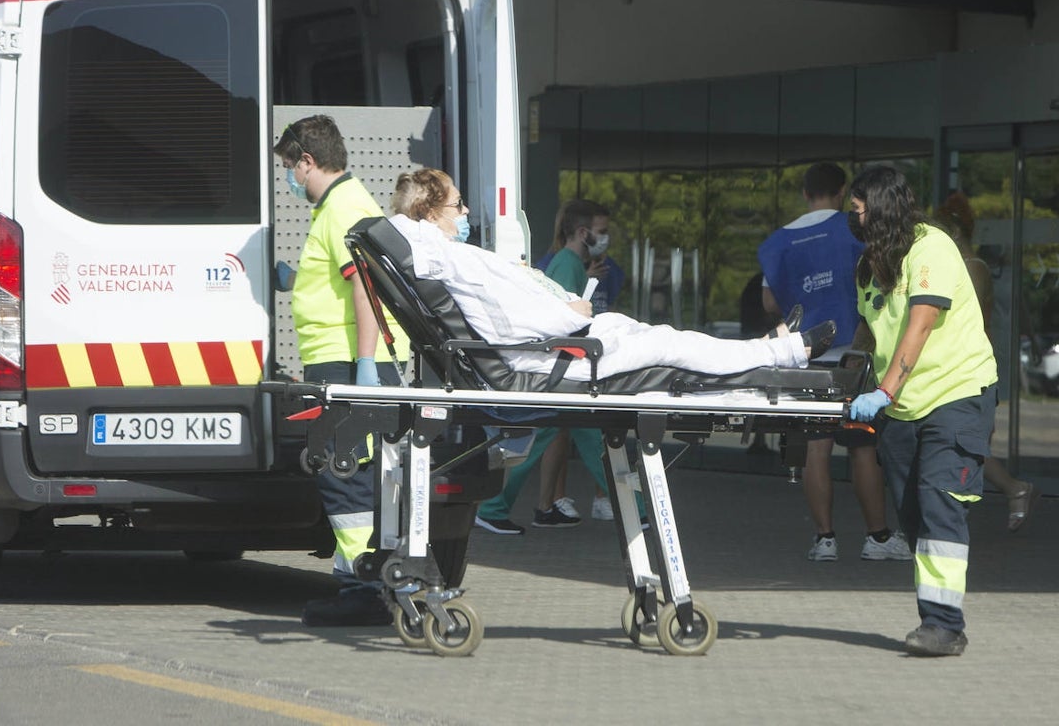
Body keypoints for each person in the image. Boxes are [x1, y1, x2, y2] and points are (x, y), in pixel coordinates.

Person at [389, 168, 837, 534]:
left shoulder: (454, 259)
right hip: (555, 356)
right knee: (669, 346)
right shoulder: (462, 261)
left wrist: (561, 309)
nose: (466, 212)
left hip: (554, 351)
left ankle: (771, 349)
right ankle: (783, 353)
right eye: (457, 204)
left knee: (666, 339)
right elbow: (515, 320)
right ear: (430, 212)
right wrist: (572, 311)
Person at [847, 165, 997, 658]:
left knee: (939, 505)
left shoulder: (931, 246)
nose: (856, 216)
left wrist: (884, 393)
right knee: (913, 515)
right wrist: (842, 378)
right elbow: (871, 332)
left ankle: (942, 625)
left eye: (861, 208)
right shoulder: (869, 265)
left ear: (885, 206)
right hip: (905, 407)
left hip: (956, 394)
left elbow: (921, 323)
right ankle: (940, 617)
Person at [276, 115, 408, 627]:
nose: (291, 178)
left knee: (345, 474)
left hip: (348, 362)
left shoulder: (342, 209)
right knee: (355, 472)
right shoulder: (339, 206)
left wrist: (366, 365)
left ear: (309, 161)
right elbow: (336, 277)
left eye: (291, 168)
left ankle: (363, 590)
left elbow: (364, 287)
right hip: (343, 359)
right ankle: (360, 581)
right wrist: (294, 278)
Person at [759, 162, 911, 563]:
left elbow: (770, 303)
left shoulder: (777, 243)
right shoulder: (853, 232)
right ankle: (877, 538)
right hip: (854, 357)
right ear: (842, 191)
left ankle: (824, 539)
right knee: (863, 447)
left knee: (815, 450)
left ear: (805, 193)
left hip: (805, 358)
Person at [937, 191, 1039, 532]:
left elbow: (965, 321)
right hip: (969, 364)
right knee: (967, 441)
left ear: (952, 233)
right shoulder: (967, 266)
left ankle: (1014, 488)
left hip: (970, 366)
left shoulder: (971, 269)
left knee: (968, 442)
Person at [534, 200, 623, 526]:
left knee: (555, 436)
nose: (605, 238)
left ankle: (540, 505)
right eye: (601, 232)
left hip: (577, 362)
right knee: (584, 436)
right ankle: (629, 505)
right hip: (573, 365)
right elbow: (562, 316)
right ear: (583, 232)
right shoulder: (566, 264)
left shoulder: (577, 263)